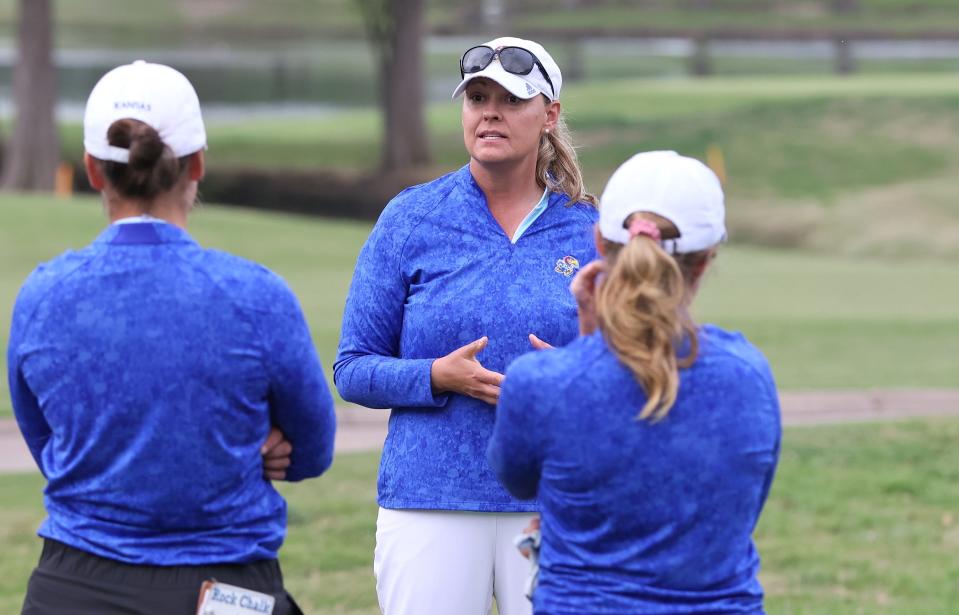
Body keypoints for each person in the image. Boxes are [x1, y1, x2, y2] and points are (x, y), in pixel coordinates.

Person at [7, 61, 337, 614]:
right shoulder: (255, 294)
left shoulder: (42, 296)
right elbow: (313, 449)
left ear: (92, 169)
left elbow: (48, 446)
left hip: (71, 587)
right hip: (224, 587)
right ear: (197, 165)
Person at [334, 37, 598, 615]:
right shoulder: (411, 217)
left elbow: (627, 370)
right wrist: (437, 376)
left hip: (556, 498)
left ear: (549, 115)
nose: (490, 112)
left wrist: (570, 381)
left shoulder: (590, 229)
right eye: (478, 98)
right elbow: (352, 369)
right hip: (430, 502)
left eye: (510, 99)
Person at [488, 150, 782, 614]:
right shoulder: (748, 375)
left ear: (601, 248)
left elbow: (517, 479)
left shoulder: (541, 383)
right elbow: (742, 507)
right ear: (705, 262)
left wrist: (588, 343)